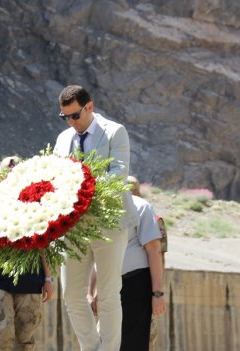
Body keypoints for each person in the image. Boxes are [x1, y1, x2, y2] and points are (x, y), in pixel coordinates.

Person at [52, 85, 138, 351]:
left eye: (75, 115)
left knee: (109, 294)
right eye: (65, 116)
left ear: (90, 107)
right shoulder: (63, 138)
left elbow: (117, 176)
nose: (70, 122)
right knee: (72, 295)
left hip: (108, 224)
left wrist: (79, 188)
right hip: (73, 229)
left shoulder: (115, 132)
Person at [0, 156, 54, 351]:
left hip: (31, 276)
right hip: (0, 277)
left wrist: (49, 278)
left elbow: (44, 243)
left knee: (26, 336)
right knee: (2, 332)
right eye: (9, 172)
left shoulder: (38, 204)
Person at [125, 176, 167, 351]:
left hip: (140, 283)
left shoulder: (148, 214)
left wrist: (156, 292)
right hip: (120, 284)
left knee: (143, 338)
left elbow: (157, 253)